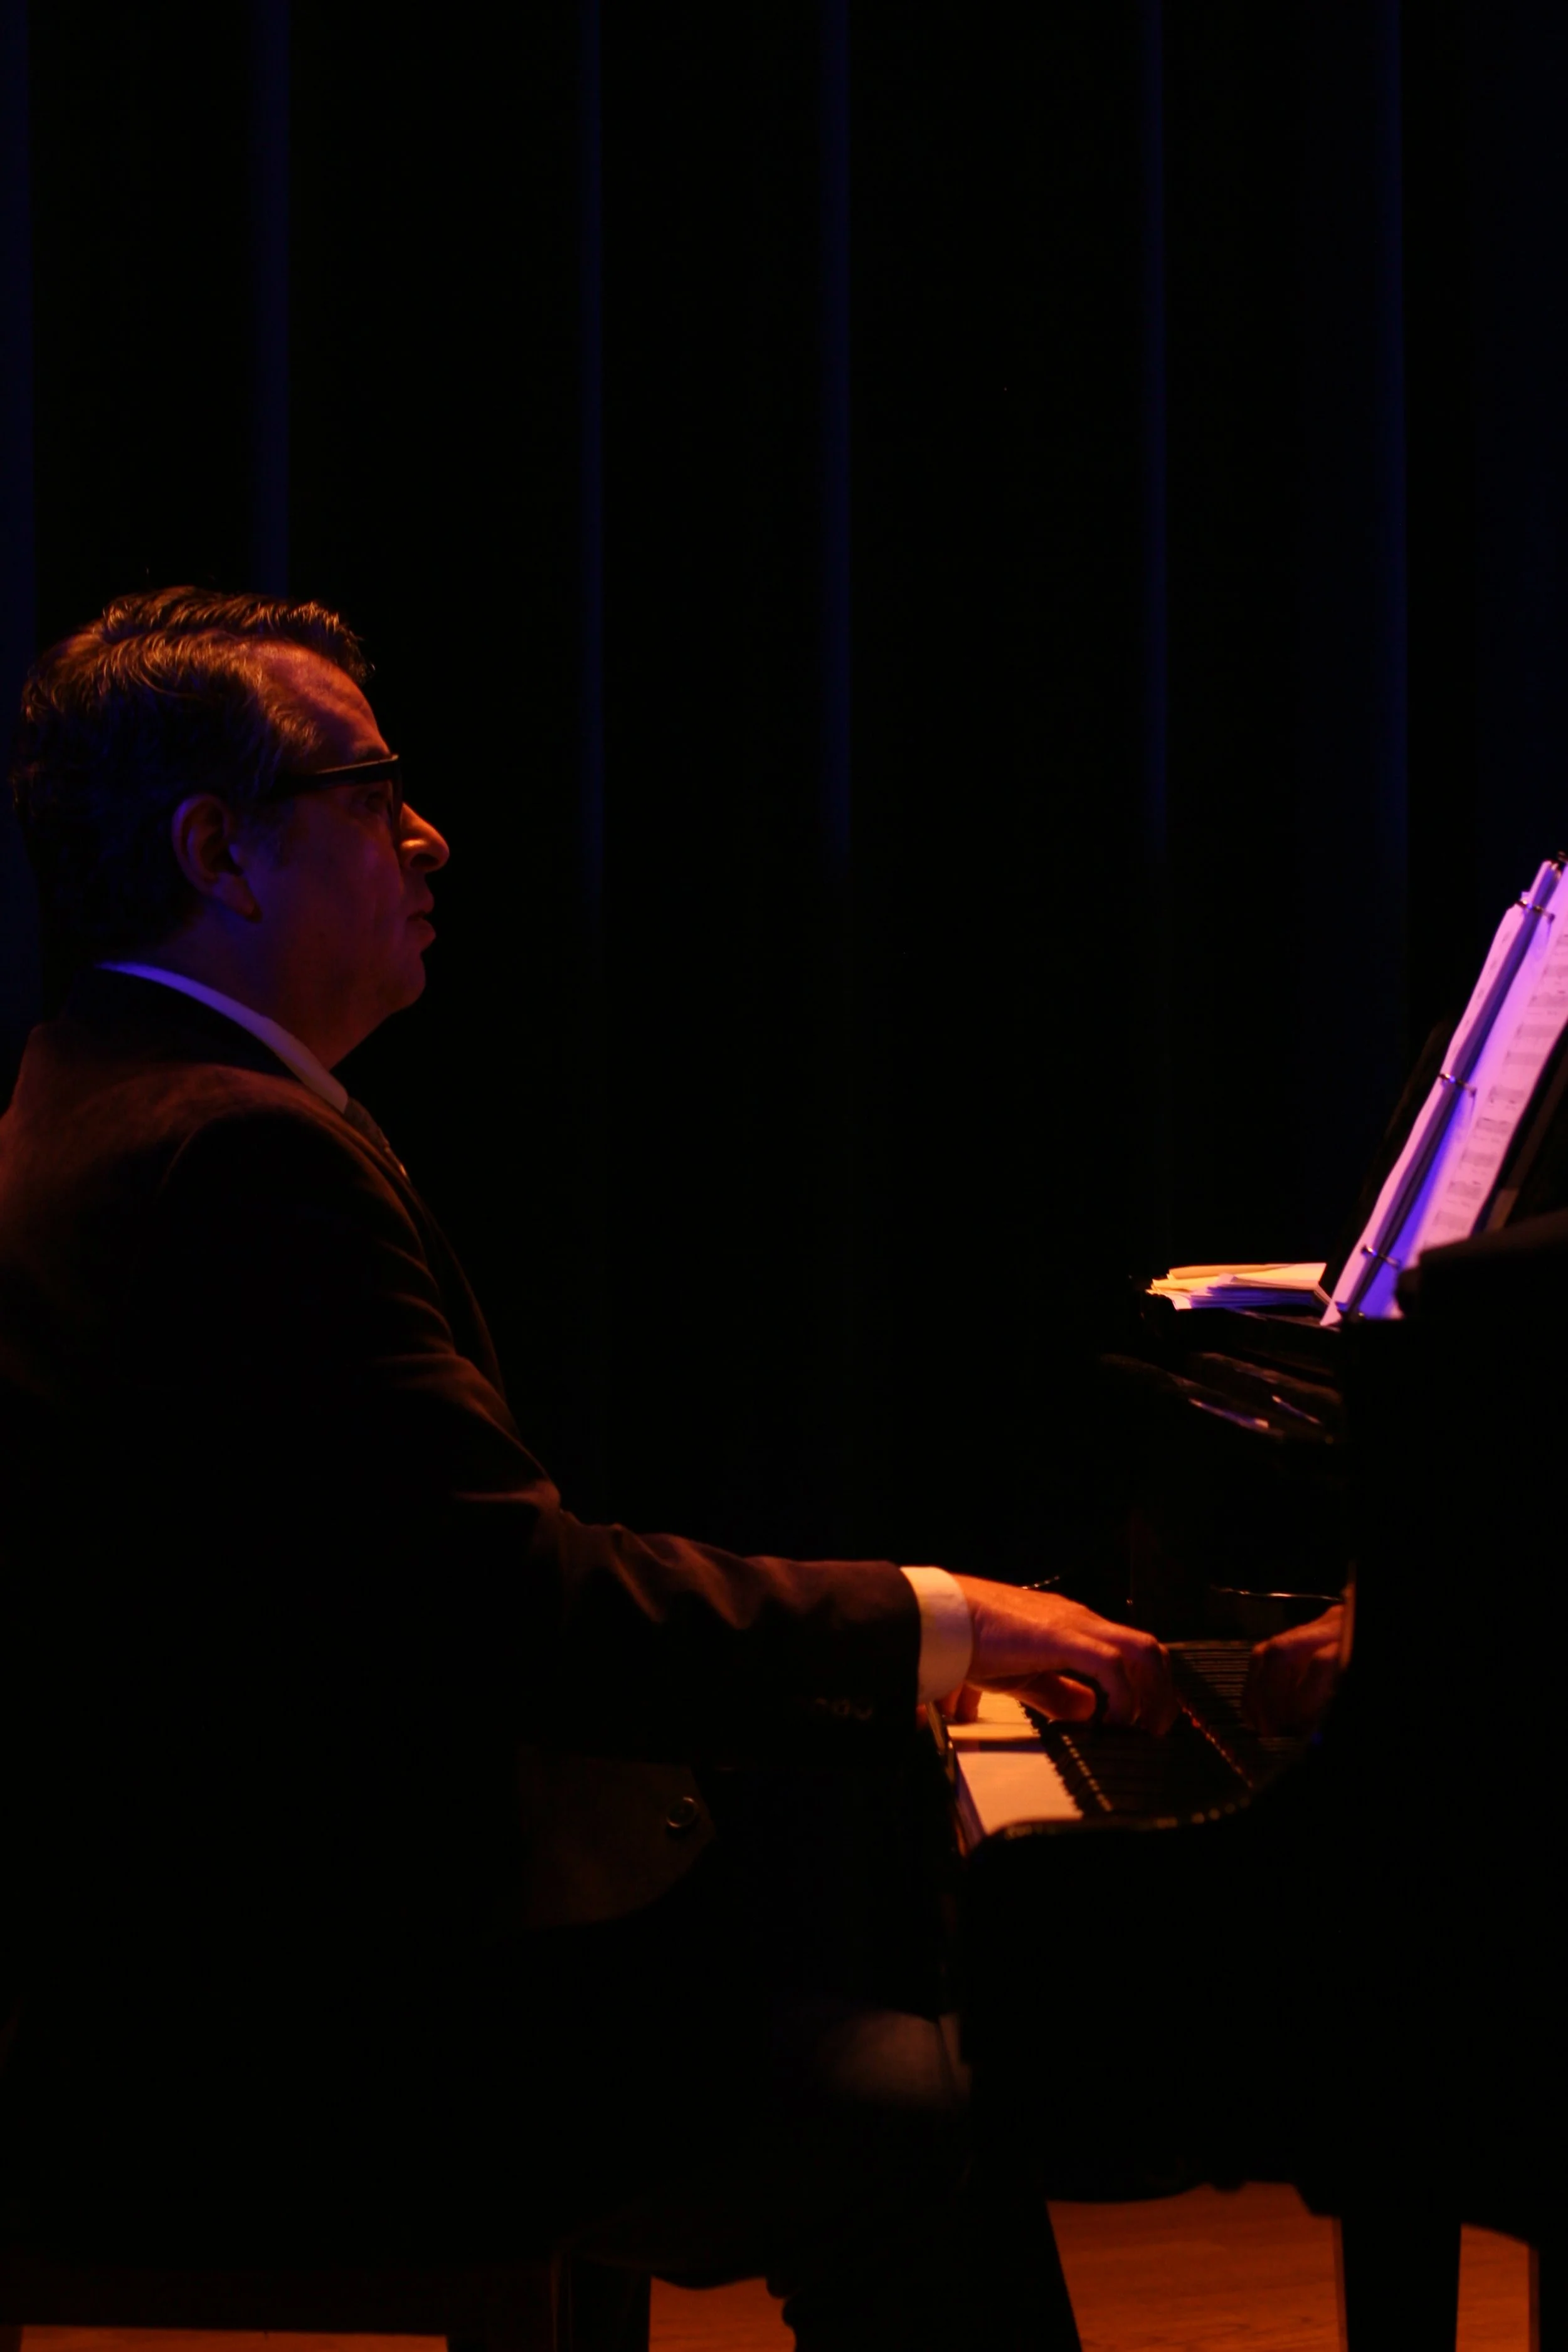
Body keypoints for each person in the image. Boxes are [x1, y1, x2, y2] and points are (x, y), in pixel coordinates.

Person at [0, 589, 1177, 2348]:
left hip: (188, 1957)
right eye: (370, 787)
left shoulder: (104, 1084)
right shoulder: (228, 1157)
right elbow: (515, 1604)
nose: (429, 833)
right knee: (924, 2123)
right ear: (218, 853)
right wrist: (940, 1622)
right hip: (270, 2038)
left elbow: (417, 1586)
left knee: (797, 2001)